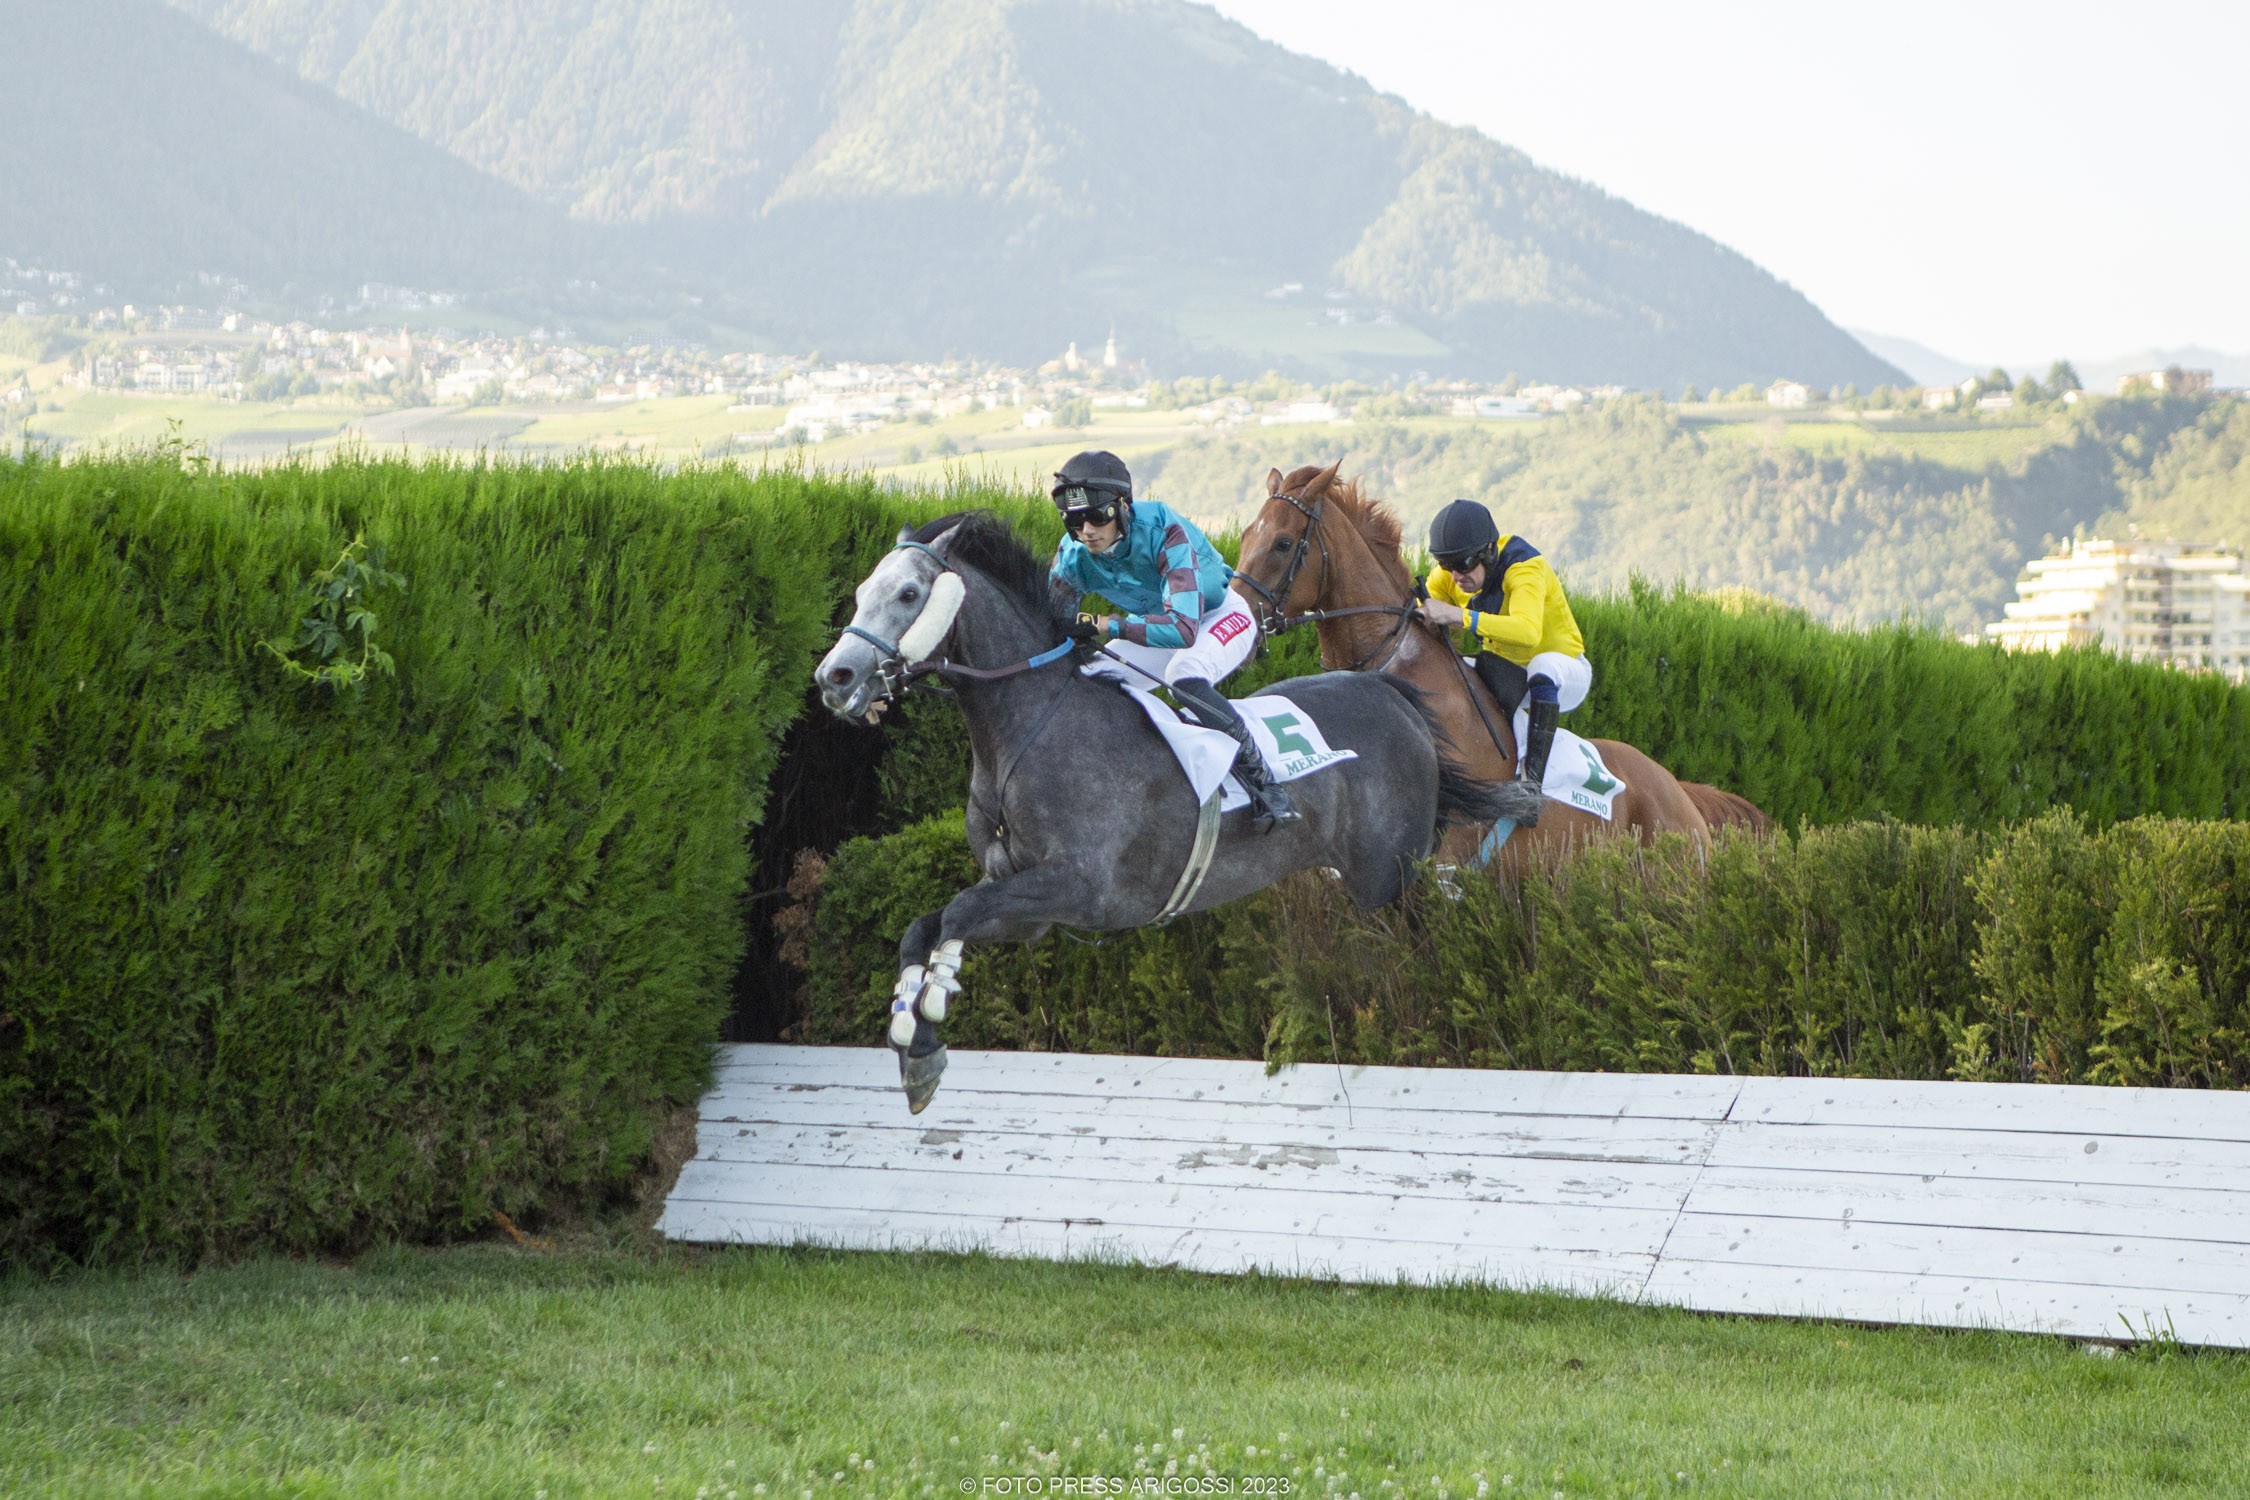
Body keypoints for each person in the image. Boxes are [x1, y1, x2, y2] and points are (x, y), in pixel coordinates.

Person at [1048, 450, 1300, 831]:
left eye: (1097, 517)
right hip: (1156, 623)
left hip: (1216, 616)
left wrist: (1105, 625)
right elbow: (1051, 625)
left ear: (1123, 508)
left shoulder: (1166, 531)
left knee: (1184, 673)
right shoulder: (1073, 556)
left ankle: (1267, 785)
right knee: (1088, 680)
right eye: (1074, 521)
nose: (1086, 531)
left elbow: (1183, 630)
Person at [1416, 497, 1589, 823]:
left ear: (1489, 553)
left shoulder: (1525, 567)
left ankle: (1531, 788)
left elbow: (1527, 632)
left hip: (1565, 673)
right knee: (1453, 671)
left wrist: (1457, 614)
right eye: (1445, 565)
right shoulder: (1453, 573)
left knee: (1543, 667)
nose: (1455, 577)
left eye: (1463, 565)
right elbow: (1420, 610)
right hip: (1508, 675)